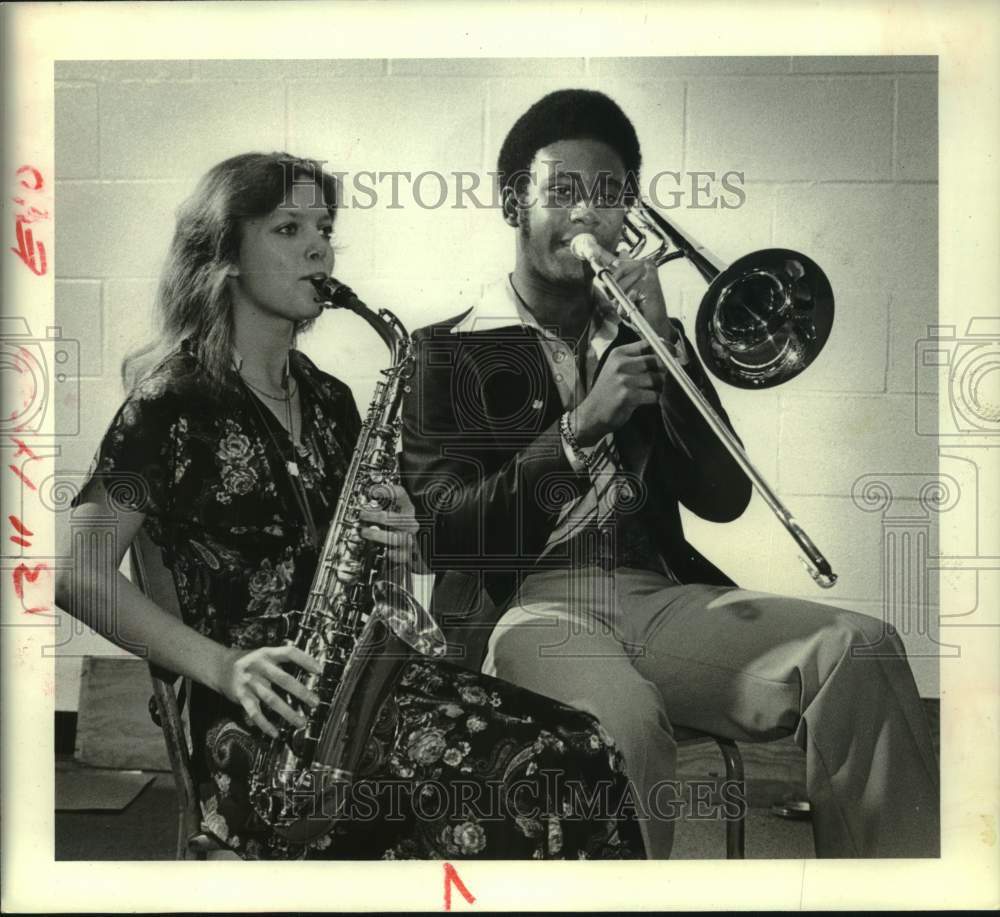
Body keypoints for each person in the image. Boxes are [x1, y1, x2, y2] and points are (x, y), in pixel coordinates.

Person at [55, 151, 645, 860]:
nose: (318, 246)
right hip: (266, 728)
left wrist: (400, 541)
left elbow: (369, 574)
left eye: (325, 226)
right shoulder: (168, 403)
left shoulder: (332, 400)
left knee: (584, 744)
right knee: (528, 775)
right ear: (225, 251)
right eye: (287, 227)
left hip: (359, 694)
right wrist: (223, 666)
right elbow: (77, 575)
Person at [399, 89, 940, 859]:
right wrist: (581, 428)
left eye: (611, 195)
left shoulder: (644, 334)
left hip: (657, 594)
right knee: (619, 721)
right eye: (562, 192)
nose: (587, 215)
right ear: (513, 201)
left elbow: (723, 496)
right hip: (530, 606)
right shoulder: (445, 352)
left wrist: (669, 348)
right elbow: (446, 534)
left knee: (863, 650)